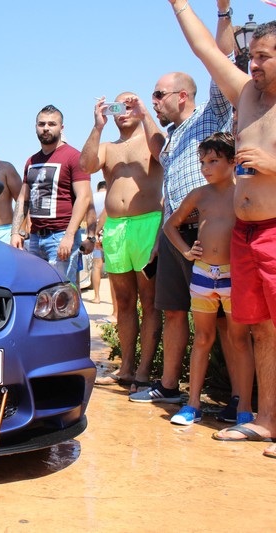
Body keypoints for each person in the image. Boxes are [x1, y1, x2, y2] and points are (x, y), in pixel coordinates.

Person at [166, 0, 276, 458]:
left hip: (273, 228)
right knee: (261, 331)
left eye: (264, 56)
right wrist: (181, 5)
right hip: (243, 236)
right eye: (253, 56)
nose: (254, 63)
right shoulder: (248, 94)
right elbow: (205, 50)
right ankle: (267, 421)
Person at [128, 0, 235, 406]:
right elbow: (160, 151)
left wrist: (222, 12)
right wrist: (144, 115)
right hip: (175, 233)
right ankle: (170, 389)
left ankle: (232, 398)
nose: (154, 99)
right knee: (175, 311)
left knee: (223, 319)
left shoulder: (212, 114)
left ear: (183, 94)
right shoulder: (173, 136)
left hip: (209, 230)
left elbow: (221, 58)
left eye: (159, 94)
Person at [162, 132, 254, 426]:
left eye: (213, 161)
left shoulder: (243, 191)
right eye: (203, 161)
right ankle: (192, 404)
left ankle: (244, 408)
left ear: (232, 161)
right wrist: (187, 251)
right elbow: (170, 225)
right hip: (202, 275)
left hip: (234, 276)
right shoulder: (199, 195)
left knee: (239, 339)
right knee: (202, 338)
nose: (206, 167)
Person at [80, 94, 164, 393]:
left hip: (147, 223)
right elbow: (86, 165)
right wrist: (97, 126)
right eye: (118, 108)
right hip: (116, 229)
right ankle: (126, 367)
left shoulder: (150, 139)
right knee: (125, 302)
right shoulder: (107, 146)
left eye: (130, 107)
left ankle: (144, 370)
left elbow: (164, 151)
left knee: (150, 301)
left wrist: (146, 114)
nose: (124, 112)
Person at [11, 106, 95, 286]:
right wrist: (15, 232)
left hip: (61, 236)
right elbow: (23, 199)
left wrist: (69, 236)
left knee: (62, 292)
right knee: (36, 290)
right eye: (41, 124)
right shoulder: (31, 161)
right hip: (35, 238)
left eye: (51, 124)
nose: (46, 128)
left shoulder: (73, 157)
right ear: (35, 127)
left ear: (61, 128)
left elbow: (84, 197)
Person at [90, 181, 107, 305]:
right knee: (113, 268)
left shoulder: (93, 197)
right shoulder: (110, 195)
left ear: (98, 188)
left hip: (96, 232)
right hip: (110, 231)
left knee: (96, 266)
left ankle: (97, 296)